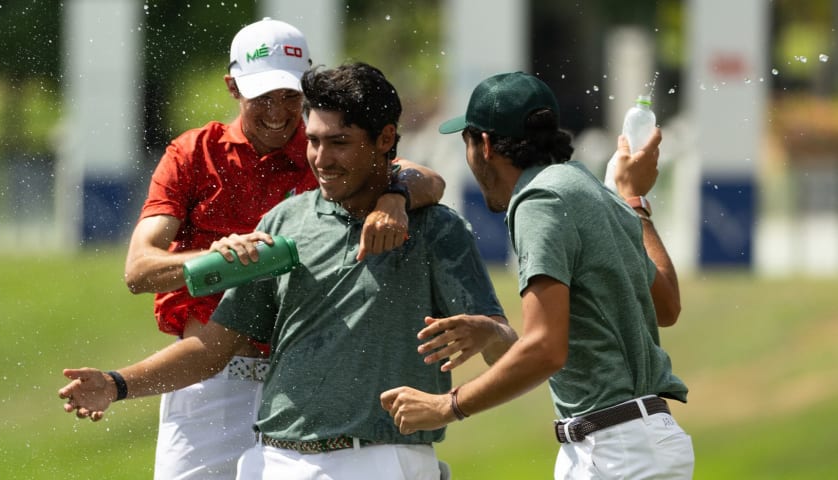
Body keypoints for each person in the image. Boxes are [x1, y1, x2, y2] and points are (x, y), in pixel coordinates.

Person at [60, 62, 517, 480]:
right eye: (314, 141)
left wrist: (489, 337)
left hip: (382, 458)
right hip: (276, 460)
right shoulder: (283, 222)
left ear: (384, 140)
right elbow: (212, 350)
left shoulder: (436, 229)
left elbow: (510, 351)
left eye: (339, 142)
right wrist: (117, 385)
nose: (320, 158)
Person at [122, 18, 446, 479]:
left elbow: (429, 179)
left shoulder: (323, 149)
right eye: (263, 98)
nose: (278, 112)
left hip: (307, 382)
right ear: (233, 87)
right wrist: (220, 258)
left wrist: (395, 195)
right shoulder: (194, 153)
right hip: (207, 383)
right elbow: (139, 269)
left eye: (291, 96)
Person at [381, 72, 695, 479]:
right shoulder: (593, 189)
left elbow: (547, 349)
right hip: (633, 441)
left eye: (467, 143)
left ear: (486, 145)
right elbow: (666, 305)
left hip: (618, 451)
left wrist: (447, 406)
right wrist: (633, 199)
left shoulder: (538, 200)